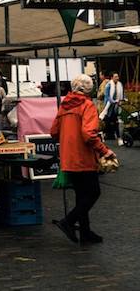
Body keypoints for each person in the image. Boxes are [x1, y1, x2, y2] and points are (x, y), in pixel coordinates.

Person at [51, 74, 116, 244]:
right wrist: (105, 150)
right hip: (83, 157)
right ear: (88, 89)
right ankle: (68, 221)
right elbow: (89, 134)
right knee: (94, 192)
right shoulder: (87, 105)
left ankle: (85, 233)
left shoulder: (64, 105)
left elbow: (53, 132)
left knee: (82, 195)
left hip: (68, 157)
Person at [102, 72, 125, 146]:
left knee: (115, 122)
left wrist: (123, 99)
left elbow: (122, 93)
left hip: (115, 107)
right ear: (112, 78)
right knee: (107, 123)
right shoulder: (108, 85)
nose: (117, 78)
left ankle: (119, 139)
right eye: (115, 77)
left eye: (117, 76)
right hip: (109, 107)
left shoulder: (119, 85)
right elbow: (107, 96)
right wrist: (113, 101)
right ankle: (103, 134)